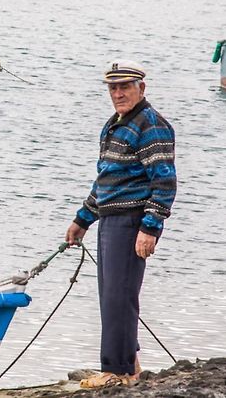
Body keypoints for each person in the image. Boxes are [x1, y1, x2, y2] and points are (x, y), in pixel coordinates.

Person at [65, 60, 177, 388]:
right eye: (113, 88)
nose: (118, 93)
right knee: (111, 296)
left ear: (141, 88)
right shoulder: (115, 124)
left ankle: (116, 371)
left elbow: (165, 183)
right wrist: (82, 220)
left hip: (131, 222)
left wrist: (150, 228)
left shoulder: (151, 125)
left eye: (125, 87)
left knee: (119, 295)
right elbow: (106, 180)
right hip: (109, 220)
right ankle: (131, 365)